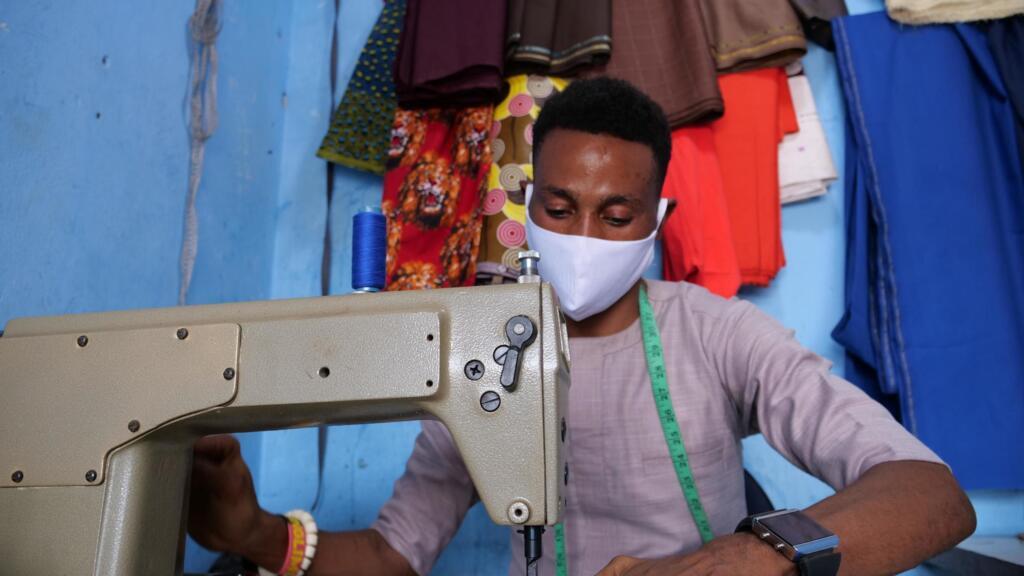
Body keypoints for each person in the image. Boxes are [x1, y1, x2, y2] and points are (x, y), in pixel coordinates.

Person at [189, 78, 975, 576]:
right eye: (561, 209)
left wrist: (743, 559)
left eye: (617, 213)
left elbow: (929, 494)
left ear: (657, 219)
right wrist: (257, 534)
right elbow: (395, 554)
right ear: (528, 209)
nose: (585, 236)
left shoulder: (716, 334)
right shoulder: (479, 354)